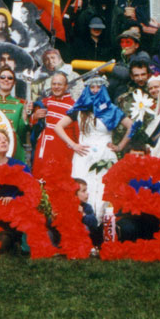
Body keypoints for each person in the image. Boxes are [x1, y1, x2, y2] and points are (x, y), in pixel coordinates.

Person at [55, 75, 133, 217]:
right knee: (81, 189)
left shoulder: (112, 109)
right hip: (84, 155)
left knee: (105, 190)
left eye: (98, 87)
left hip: (106, 154)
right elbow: (58, 126)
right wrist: (73, 145)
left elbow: (131, 126)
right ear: (87, 88)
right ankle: (83, 225)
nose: (95, 90)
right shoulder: (80, 109)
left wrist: (120, 146)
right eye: (92, 87)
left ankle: (105, 229)